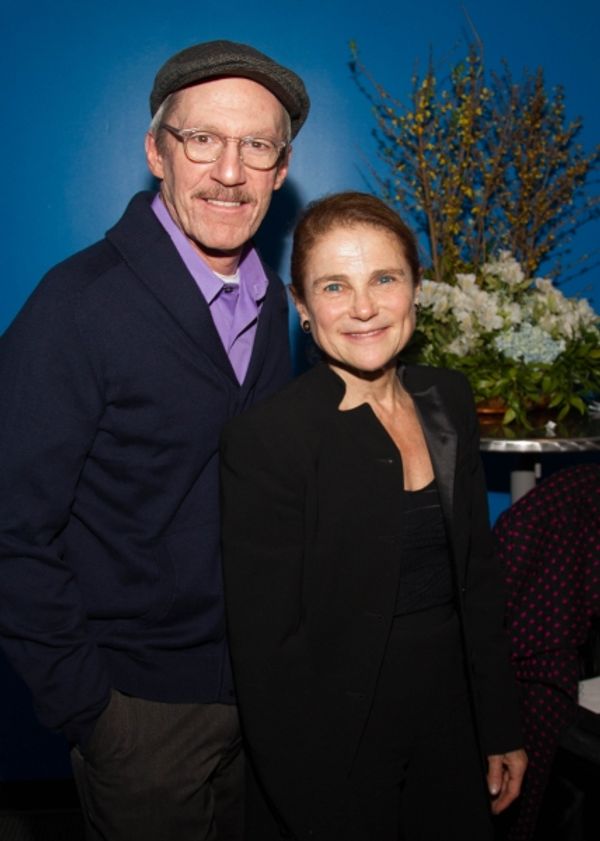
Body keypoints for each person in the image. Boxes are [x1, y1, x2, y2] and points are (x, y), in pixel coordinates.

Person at [0, 40, 309, 841]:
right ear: (155, 152)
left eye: (257, 146)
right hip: (140, 712)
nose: (230, 172)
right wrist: (91, 708)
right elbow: (10, 526)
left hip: (266, 698)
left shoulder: (273, 307)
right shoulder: (78, 305)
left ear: (281, 170)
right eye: (202, 139)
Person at [220, 191, 528, 840]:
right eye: (335, 286)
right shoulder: (270, 439)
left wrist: (499, 724)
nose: (363, 307)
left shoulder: (448, 397)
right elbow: (268, 656)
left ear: (416, 288)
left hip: (452, 727)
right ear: (302, 306)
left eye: (384, 278)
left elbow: (478, 579)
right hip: (338, 748)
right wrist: (311, 802)